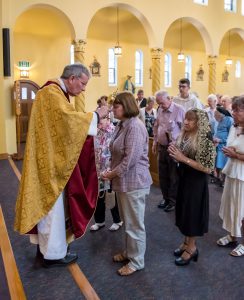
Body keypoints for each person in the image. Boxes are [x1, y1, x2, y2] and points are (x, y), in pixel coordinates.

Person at [14, 63, 108, 268]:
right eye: (82, 84)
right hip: (50, 165)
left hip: (48, 157)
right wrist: (97, 115)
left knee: (50, 209)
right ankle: (53, 255)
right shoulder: (52, 93)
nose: (83, 89)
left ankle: (46, 250)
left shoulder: (54, 92)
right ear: (72, 78)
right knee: (52, 210)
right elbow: (69, 121)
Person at [102, 91, 152, 276]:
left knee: (134, 224)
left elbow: (130, 160)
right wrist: (110, 171)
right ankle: (130, 253)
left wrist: (110, 174)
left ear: (127, 106)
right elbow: (116, 151)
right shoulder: (122, 124)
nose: (113, 109)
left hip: (134, 182)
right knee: (128, 222)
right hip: (123, 181)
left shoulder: (135, 127)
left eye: (116, 106)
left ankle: (137, 261)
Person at [168, 109, 215, 266]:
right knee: (184, 211)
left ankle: (192, 248)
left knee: (192, 213)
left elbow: (208, 168)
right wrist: (175, 154)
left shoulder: (205, 140)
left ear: (199, 123)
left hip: (196, 182)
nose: (186, 122)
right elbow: (182, 156)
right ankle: (186, 242)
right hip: (185, 179)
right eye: (186, 119)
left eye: (191, 120)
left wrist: (183, 158)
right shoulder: (186, 135)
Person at [217, 96, 244, 256]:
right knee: (231, 205)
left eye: (237, 110)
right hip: (233, 170)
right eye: (232, 109)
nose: (233, 113)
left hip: (242, 174)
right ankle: (233, 236)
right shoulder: (235, 126)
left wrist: (236, 155)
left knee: (242, 209)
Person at [153, 91, 185, 212]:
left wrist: (177, 143)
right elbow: (157, 126)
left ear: (169, 98)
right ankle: (165, 198)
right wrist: (155, 141)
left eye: (162, 103)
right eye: (159, 104)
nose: (161, 106)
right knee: (163, 175)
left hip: (174, 148)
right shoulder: (160, 109)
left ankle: (172, 201)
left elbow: (184, 130)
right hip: (162, 146)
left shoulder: (179, 109)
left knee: (173, 176)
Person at [90, 117, 123, 232]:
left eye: (101, 120)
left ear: (108, 119)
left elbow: (117, 152)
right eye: (97, 121)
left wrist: (110, 169)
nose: (98, 123)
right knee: (98, 197)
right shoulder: (96, 131)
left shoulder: (114, 131)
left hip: (110, 169)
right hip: (98, 169)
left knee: (111, 195)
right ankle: (100, 221)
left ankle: (117, 220)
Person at [213, 107, 233, 186]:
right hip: (217, 145)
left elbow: (230, 135)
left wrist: (220, 140)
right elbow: (217, 131)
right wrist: (214, 138)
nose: (214, 117)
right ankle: (219, 178)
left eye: (216, 116)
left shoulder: (229, 120)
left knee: (223, 164)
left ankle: (224, 180)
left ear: (220, 115)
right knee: (218, 163)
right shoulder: (219, 121)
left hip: (224, 146)